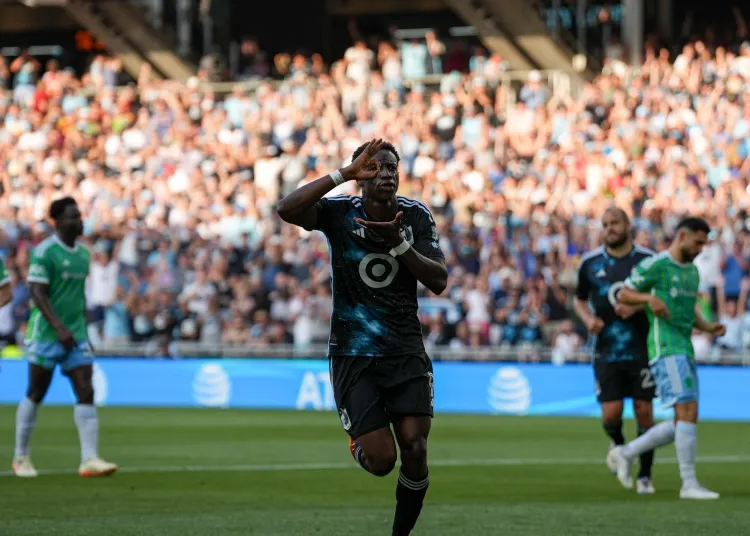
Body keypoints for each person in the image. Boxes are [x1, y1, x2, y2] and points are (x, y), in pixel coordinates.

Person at [277, 139, 447, 535]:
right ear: (360, 177)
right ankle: (360, 444)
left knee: (416, 449)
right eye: (375, 167)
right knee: (382, 460)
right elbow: (286, 209)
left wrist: (399, 244)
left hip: (404, 349)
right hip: (353, 353)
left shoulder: (415, 215)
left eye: (392, 167)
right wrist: (342, 174)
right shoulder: (339, 214)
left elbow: (438, 280)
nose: (386, 173)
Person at [610, 217, 726, 500]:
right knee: (685, 411)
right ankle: (688, 484)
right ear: (682, 235)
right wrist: (648, 300)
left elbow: (688, 311)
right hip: (665, 348)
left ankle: (625, 453)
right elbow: (624, 293)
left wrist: (708, 327)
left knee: (685, 418)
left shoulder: (692, 273)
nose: (700, 248)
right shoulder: (657, 264)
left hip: (684, 346)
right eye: (697, 242)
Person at [13, 197, 118, 478]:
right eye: (74, 216)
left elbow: (77, 295)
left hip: (76, 335)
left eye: (80, 215)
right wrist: (59, 328)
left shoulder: (84, 254)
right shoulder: (45, 252)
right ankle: (21, 457)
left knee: (86, 389)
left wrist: (83, 329)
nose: (80, 220)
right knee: (36, 392)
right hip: (47, 334)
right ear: (58, 222)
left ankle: (89, 458)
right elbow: (37, 292)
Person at [574, 207, 657, 494]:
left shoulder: (648, 261)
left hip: (643, 348)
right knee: (611, 414)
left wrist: (636, 305)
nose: (609, 228)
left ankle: (645, 475)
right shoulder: (590, 263)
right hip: (606, 350)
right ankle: (620, 447)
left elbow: (660, 299)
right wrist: (588, 320)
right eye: (605, 224)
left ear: (628, 225)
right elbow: (579, 301)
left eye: (615, 223)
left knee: (644, 411)